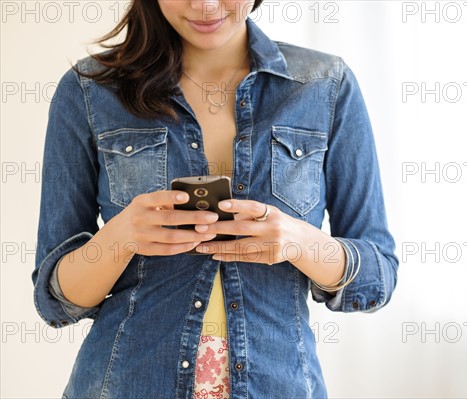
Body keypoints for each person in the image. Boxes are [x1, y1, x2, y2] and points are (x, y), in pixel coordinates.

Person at [32, 0, 399, 397]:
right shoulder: (90, 90)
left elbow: (377, 277)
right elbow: (55, 300)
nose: (205, 5)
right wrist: (121, 237)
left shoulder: (326, 86)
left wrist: (300, 243)